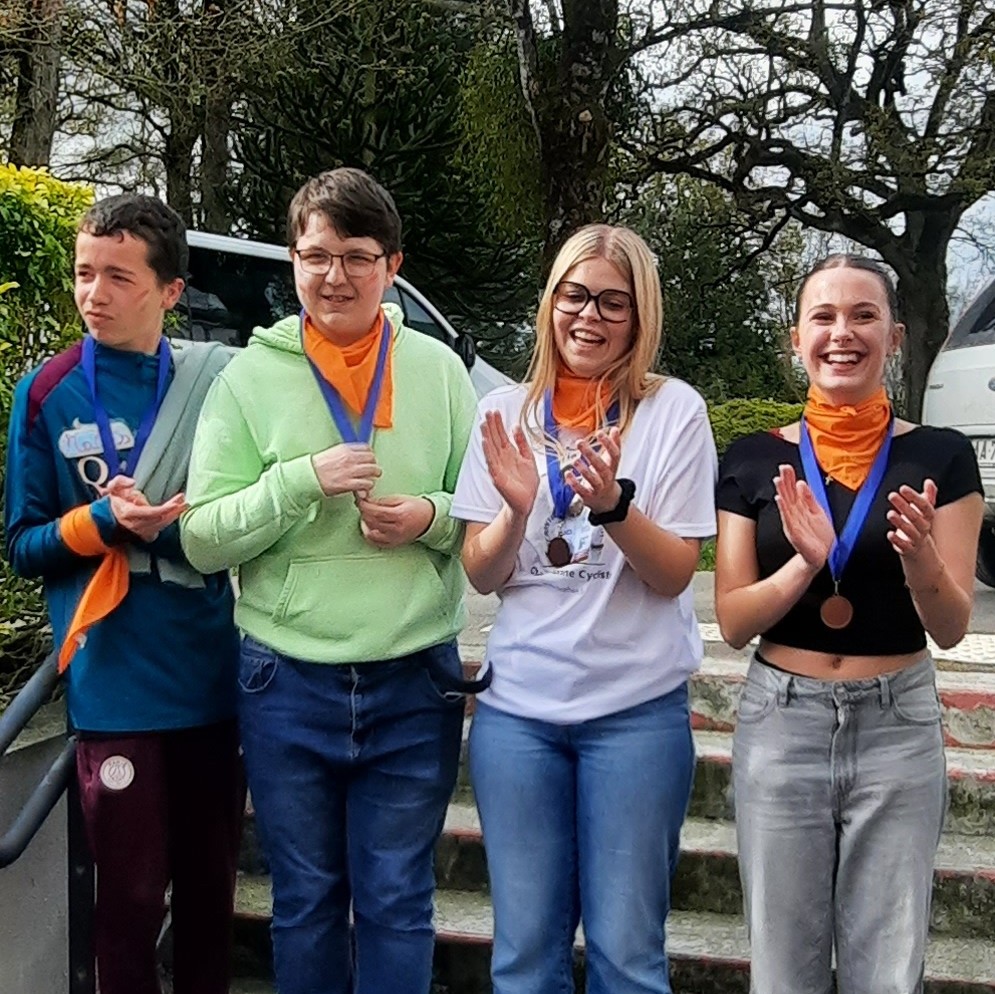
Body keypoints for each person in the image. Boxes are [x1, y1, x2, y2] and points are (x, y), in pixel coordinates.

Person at [180, 167, 480, 994]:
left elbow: (488, 515)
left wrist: (429, 516)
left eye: (356, 256)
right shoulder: (246, 378)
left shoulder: (439, 372)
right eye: (315, 256)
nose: (334, 276)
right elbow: (201, 540)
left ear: (392, 266)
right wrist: (298, 481)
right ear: (293, 260)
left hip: (413, 672)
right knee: (306, 901)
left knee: (397, 899)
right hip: (287, 677)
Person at [451, 224, 717, 994]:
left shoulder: (672, 411)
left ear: (639, 318)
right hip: (518, 718)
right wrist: (515, 508)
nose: (588, 316)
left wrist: (611, 506)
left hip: (634, 716)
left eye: (611, 303)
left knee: (627, 958)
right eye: (574, 296)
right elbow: (482, 573)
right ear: (550, 303)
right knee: (524, 958)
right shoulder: (503, 411)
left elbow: (673, 574)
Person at [714, 254, 983, 994]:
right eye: (823, 317)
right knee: (782, 969)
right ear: (795, 338)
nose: (842, 333)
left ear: (893, 337)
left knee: (887, 972)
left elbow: (950, 625)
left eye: (864, 316)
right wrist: (803, 565)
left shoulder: (941, 456)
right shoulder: (754, 459)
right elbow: (733, 620)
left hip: (897, 724)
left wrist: (920, 555)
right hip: (782, 720)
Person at [4, 194, 242, 994]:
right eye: (83, 273)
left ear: (170, 291)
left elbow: (247, 521)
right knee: (130, 901)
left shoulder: (221, 385)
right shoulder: (47, 391)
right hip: (112, 686)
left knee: (209, 896)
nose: (93, 294)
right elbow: (22, 545)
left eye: (118, 277)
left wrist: (171, 531)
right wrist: (104, 522)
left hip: (210, 679)